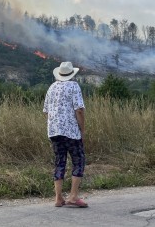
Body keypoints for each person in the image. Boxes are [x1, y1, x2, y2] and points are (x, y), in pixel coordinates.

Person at [43, 61, 88, 208]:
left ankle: (58, 198)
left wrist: (54, 126)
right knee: (78, 160)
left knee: (59, 161)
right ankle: (73, 196)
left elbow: (47, 112)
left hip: (54, 131)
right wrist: (82, 129)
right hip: (71, 132)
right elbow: (79, 110)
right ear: (71, 74)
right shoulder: (74, 86)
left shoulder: (52, 87)